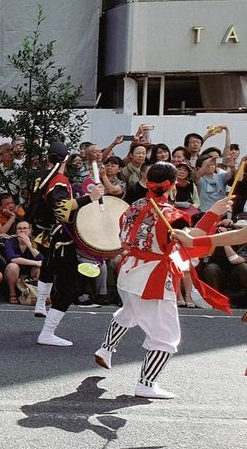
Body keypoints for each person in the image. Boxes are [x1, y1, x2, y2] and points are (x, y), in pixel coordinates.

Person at [93, 163, 247, 399]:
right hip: (152, 276)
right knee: (166, 336)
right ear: (173, 185)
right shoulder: (171, 215)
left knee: (129, 312)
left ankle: (106, 348)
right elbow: (192, 239)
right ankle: (146, 383)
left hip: (129, 271)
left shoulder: (133, 206)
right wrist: (214, 212)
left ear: (147, 181)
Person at [30, 142, 105, 346]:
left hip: (47, 234)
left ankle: (40, 304)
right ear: (66, 160)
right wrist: (90, 198)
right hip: (61, 237)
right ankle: (47, 333)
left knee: (48, 267)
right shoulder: (59, 180)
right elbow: (62, 209)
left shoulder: (43, 177)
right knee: (68, 287)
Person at [4, 220, 43, 305]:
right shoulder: (10, 241)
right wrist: (35, 263)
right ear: (16, 231)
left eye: (25, 228)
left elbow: (40, 258)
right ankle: (12, 294)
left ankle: (36, 294)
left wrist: (29, 244)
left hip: (30, 271)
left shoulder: (35, 242)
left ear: (29, 230)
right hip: (13, 272)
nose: (22, 231)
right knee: (13, 266)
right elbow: (13, 258)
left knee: (39, 269)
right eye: (19, 229)